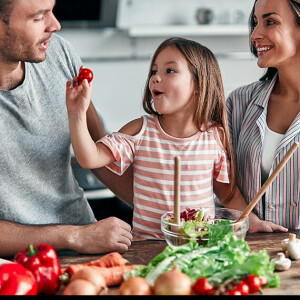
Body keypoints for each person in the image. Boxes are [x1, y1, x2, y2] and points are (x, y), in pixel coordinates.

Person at [66, 36, 247, 241]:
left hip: (200, 248)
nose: (155, 78)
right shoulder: (140, 131)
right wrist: (76, 114)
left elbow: (227, 194)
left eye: (169, 70)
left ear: (199, 84)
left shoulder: (214, 136)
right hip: (147, 249)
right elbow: (90, 158)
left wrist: (252, 221)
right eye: (154, 71)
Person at [0, 0, 133, 257]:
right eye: (39, 18)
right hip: (16, 267)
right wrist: (73, 236)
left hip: (90, 251)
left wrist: (159, 210)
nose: (55, 25)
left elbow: (98, 152)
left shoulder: (59, 53)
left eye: (52, 10)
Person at [226, 0, 300, 231]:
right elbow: (220, 179)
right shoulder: (239, 102)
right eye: (255, 23)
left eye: (270, 22)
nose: (255, 35)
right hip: (248, 255)